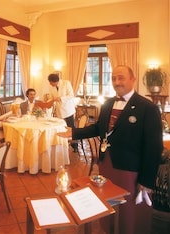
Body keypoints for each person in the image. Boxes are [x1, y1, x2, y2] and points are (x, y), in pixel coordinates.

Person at [57, 65, 163, 234]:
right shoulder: (107, 103)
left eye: (121, 78)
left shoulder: (147, 108)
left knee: (128, 209)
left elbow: (154, 148)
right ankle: (108, 229)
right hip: (107, 164)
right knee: (107, 201)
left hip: (130, 170)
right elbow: (99, 128)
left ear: (133, 79)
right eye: (114, 78)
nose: (116, 82)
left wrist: (146, 181)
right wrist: (74, 132)